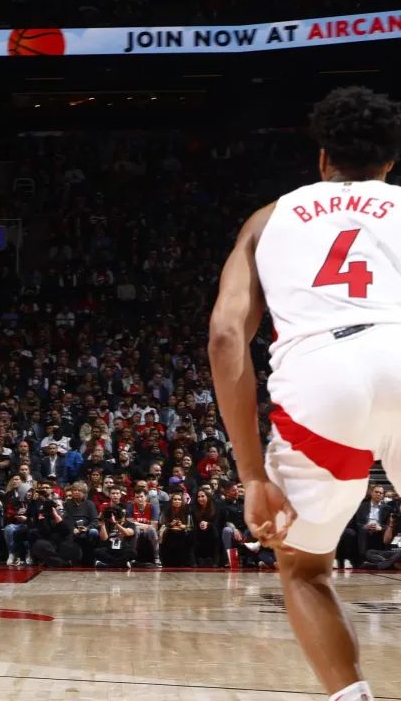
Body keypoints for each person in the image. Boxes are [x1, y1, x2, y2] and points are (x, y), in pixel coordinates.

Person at [209, 86, 401, 701]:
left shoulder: (269, 219)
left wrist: (250, 475)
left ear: (322, 158)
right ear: (390, 162)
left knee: (305, 568)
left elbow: (225, 336)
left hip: (322, 376)